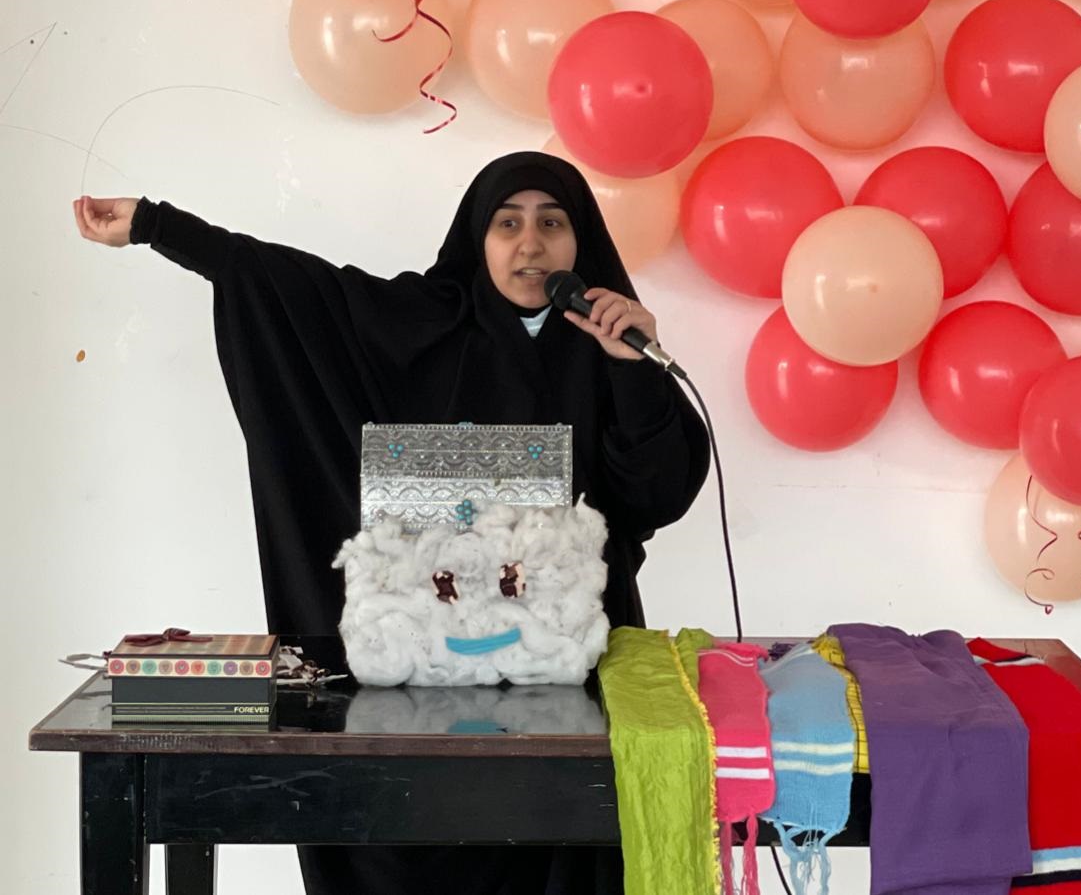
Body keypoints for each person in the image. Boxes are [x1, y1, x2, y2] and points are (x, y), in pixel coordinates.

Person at [74, 150, 711, 895]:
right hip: (426, 675)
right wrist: (159, 226)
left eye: (552, 224)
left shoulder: (609, 346)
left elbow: (655, 496)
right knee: (405, 836)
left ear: (582, 242)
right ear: (477, 237)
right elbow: (291, 289)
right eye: (507, 224)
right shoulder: (424, 322)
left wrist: (632, 370)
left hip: (573, 678)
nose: (530, 245)